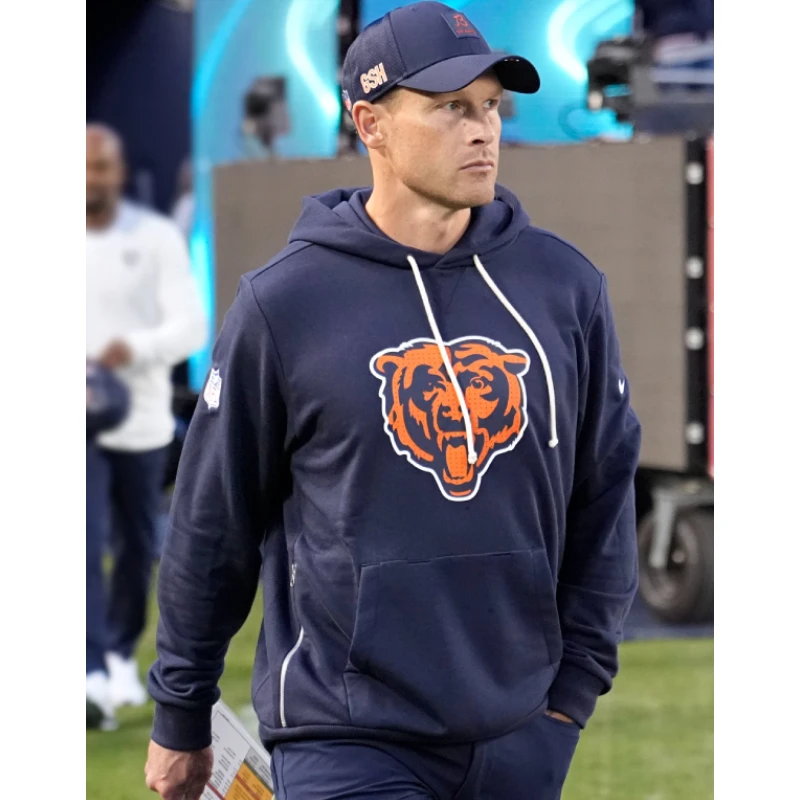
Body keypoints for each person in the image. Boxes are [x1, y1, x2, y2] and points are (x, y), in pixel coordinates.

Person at [145, 3, 641, 798]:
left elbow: (606, 494)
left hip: (523, 735)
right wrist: (180, 712)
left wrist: (571, 692)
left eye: (490, 106)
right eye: (451, 108)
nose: (483, 131)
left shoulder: (565, 286)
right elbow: (213, 523)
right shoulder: (286, 304)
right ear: (369, 124)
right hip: (346, 735)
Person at [86, 124, 207, 731]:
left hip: (140, 418)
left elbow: (191, 327)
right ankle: (88, 670)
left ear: (119, 173)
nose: (90, 179)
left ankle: (118, 651)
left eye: (100, 167)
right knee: (80, 539)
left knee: (136, 547)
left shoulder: (155, 238)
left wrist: (130, 348)